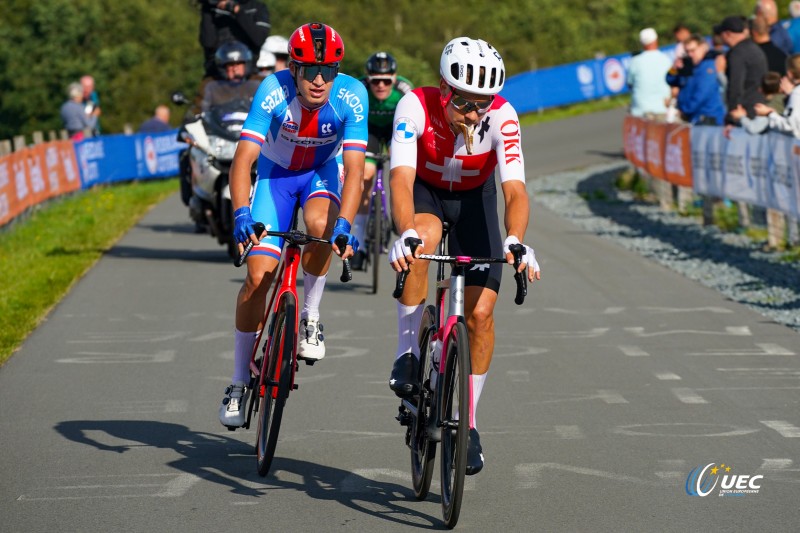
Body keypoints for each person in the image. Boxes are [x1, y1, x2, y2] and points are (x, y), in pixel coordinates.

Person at [388, 37, 541, 475]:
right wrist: (406, 233)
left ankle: (469, 423)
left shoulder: (503, 117)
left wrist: (515, 238)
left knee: (481, 316)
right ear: (443, 87)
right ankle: (408, 353)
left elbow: (514, 189)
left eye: (482, 104)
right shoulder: (414, 106)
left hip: (476, 201)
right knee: (426, 238)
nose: (473, 114)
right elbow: (400, 178)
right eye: (463, 103)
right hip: (425, 194)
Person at [218, 22, 367, 428]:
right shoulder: (273, 89)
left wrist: (346, 224)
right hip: (274, 177)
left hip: (321, 173)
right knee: (258, 276)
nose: (320, 80)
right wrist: (241, 213)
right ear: (294, 69)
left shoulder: (353, 96)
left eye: (329, 70)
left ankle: (311, 317)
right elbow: (243, 160)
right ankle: (236, 381)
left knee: (321, 226)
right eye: (311, 70)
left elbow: (354, 171)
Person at [349, 52, 414, 269]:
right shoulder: (359, 89)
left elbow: (416, 117)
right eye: (376, 81)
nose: (381, 85)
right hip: (370, 132)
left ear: (395, 78)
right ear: (368, 78)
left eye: (387, 80)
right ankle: (360, 240)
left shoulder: (405, 90)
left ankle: (400, 216)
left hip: (397, 129)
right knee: (365, 175)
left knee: (401, 172)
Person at [198, 0, 271, 78]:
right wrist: (207, 6)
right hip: (217, 77)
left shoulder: (257, 7)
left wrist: (236, 9)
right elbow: (208, 42)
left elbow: (259, 39)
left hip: (249, 76)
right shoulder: (211, 8)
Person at [716, 15, 769, 123]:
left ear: (727, 34)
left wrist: (731, 117)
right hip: (758, 108)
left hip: (745, 113)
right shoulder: (753, 47)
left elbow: (736, 86)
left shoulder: (737, 53)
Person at [666, 34, 726, 125]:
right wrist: (674, 68)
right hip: (694, 118)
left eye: (693, 50)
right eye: (687, 51)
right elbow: (671, 80)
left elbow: (701, 94)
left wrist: (684, 110)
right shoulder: (690, 66)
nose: (690, 54)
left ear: (703, 47)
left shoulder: (708, 67)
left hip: (707, 118)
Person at [201, 40, 261, 111]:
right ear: (223, 67)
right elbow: (199, 110)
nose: (235, 69)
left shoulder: (258, 86)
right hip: (222, 122)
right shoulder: (212, 88)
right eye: (231, 65)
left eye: (239, 64)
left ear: (246, 65)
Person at [627, 28, 673, 119]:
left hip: (641, 110)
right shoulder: (667, 60)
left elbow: (630, 84)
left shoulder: (635, 61)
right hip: (663, 108)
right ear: (656, 40)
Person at [755, 53, 800, 136]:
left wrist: (769, 113)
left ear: (789, 73)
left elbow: (791, 127)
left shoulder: (796, 93)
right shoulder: (795, 93)